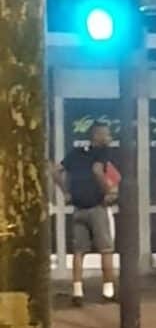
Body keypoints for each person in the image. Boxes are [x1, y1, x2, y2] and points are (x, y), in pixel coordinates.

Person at [54, 119, 118, 307]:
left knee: (79, 252)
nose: (109, 137)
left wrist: (66, 192)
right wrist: (108, 191)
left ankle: (77, 292)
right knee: (106, 250)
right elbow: (97, 171)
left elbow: (55, 170)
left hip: (78, 209)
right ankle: (108, 292)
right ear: (97, 135)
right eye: (106, 134)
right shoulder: (103, 152)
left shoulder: (76, 153)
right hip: (97, 207)